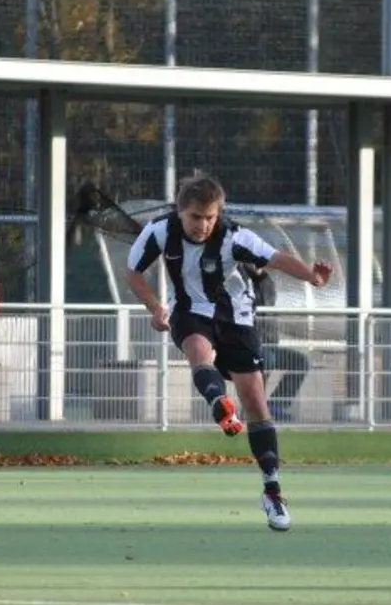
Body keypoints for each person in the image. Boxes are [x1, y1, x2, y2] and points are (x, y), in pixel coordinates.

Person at [124, 173, 330, 531]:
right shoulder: (160, 231)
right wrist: (156, 307)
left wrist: (312, 277)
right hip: (190, 311)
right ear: (180, 212)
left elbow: (277, 258)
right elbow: (133, 273)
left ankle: (272, 492)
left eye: (210, 217)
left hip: (237, 318)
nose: (203, 225)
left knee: (257, 403)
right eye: (195, 217)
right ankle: (219, 403)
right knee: (197, 350)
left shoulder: (235, 237)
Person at [238, 262, 310, 423]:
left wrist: (260, 276)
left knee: (300, 362)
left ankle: (276, 404)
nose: (256, 263)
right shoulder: (238, 277)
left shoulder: (265, 280)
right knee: (265, 361)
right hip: (249, 343)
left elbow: (267, 302)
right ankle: (254, 407)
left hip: (269, 343)